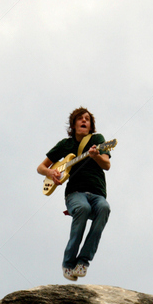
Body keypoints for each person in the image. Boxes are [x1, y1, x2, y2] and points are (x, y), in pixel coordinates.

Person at [37, 108, 111, 281]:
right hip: (75, 194)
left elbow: (106, 165)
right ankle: (68, 264)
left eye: (87, 119)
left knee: (104, 208)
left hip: (97, 193)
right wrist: (50, 173)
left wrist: (95, 156)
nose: (84, 121)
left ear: (91, 125)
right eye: (80, 118)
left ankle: (83, 261)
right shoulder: (66, 144)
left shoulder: (97, 141)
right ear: (74, 123)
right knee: (83, 209)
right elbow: (40, 167)